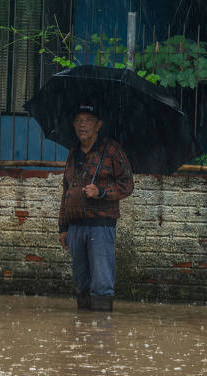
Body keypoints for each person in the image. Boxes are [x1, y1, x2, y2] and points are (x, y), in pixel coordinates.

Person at [58, 103, 134, 312]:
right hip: (75, 226)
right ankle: (83, 332)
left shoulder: (111, 150)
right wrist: (63, 227)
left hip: (100, 227)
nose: (82, 126)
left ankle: (101, 332)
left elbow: (127, 184)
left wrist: (100, 191)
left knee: (101, 283)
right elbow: (67, 190)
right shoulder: (73, 152)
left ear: (98, 125)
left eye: (88, 121)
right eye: (78, 121)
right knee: (81, 283)